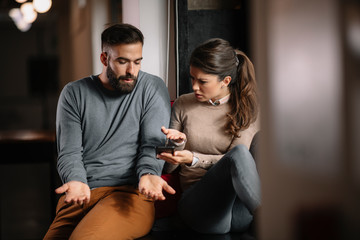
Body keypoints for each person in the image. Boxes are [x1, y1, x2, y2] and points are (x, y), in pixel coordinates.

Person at [44, 23, 175, 240]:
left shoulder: (151, 87)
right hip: (83, 193)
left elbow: (152, 144)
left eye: (137, 62)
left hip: (130, 194)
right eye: (122, 61)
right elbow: (69, 151)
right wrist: (75, 179)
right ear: (104, 59)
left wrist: (149, 173)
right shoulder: (74, 93)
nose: (131, 71)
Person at [158, 38, 261, 234]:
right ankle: (270, 218)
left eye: (202, 81)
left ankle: (268, 213)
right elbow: (169, 167)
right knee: (238, 154)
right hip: (200, 208)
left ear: (226, 81)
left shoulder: (248, 107)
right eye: (192, 78)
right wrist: (178, 144)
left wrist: (194, 159)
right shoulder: (183, 104)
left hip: (240, 210)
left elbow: (238, 161)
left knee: (259, 143)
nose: (195, 87)